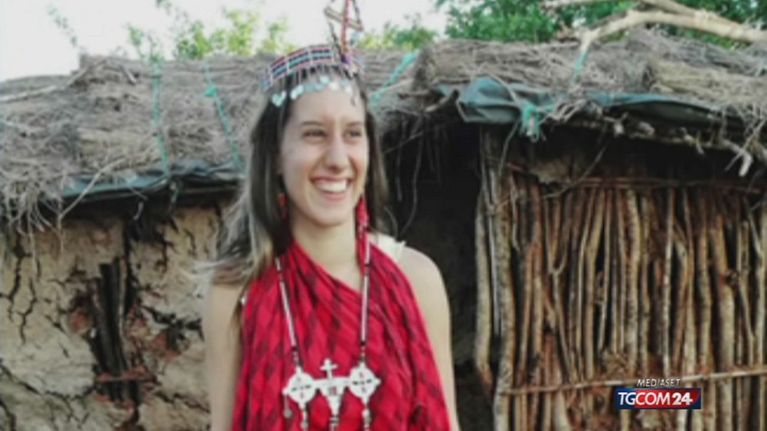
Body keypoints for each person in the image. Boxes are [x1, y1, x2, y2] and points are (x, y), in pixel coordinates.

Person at [201, 44, 459, 430]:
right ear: (275, 154)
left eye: (353, 134)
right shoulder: (235, 294)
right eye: (315, 134)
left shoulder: (416, 280)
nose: (338, 159)